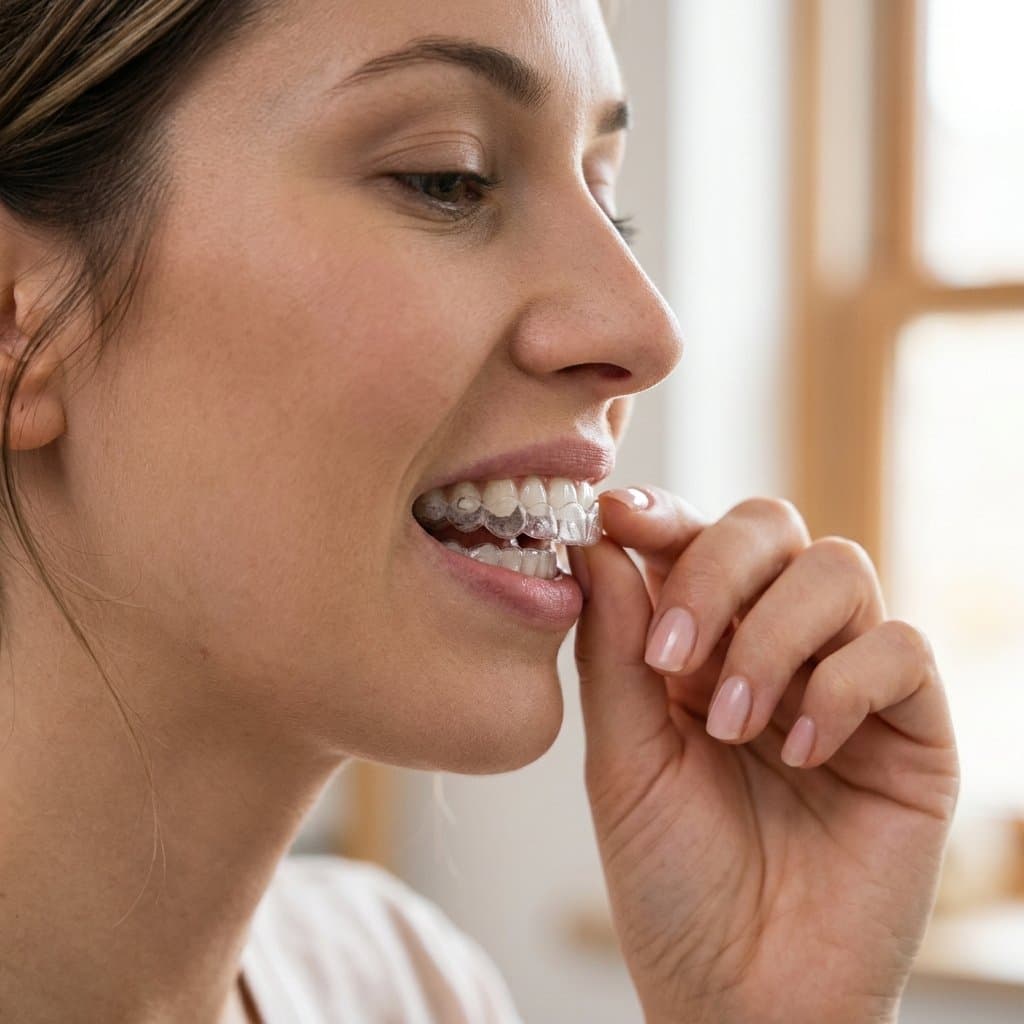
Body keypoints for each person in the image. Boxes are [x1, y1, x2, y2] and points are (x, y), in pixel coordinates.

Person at [0, 1, 960, 1021]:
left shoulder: (406, 985)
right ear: (18, 318)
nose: (647, 330)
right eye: (447, 178)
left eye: (608, 202)